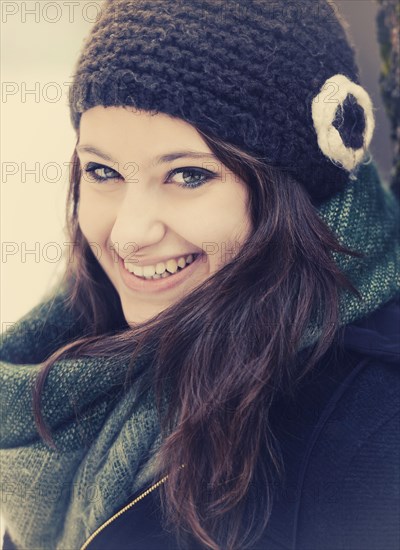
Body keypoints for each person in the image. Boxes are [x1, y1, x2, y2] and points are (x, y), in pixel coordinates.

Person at [1, 1, 399, 549]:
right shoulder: (74, 343)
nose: (128, 234)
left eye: (188, 175)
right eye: (103, 171)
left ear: (291, 192)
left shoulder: (370, 433)